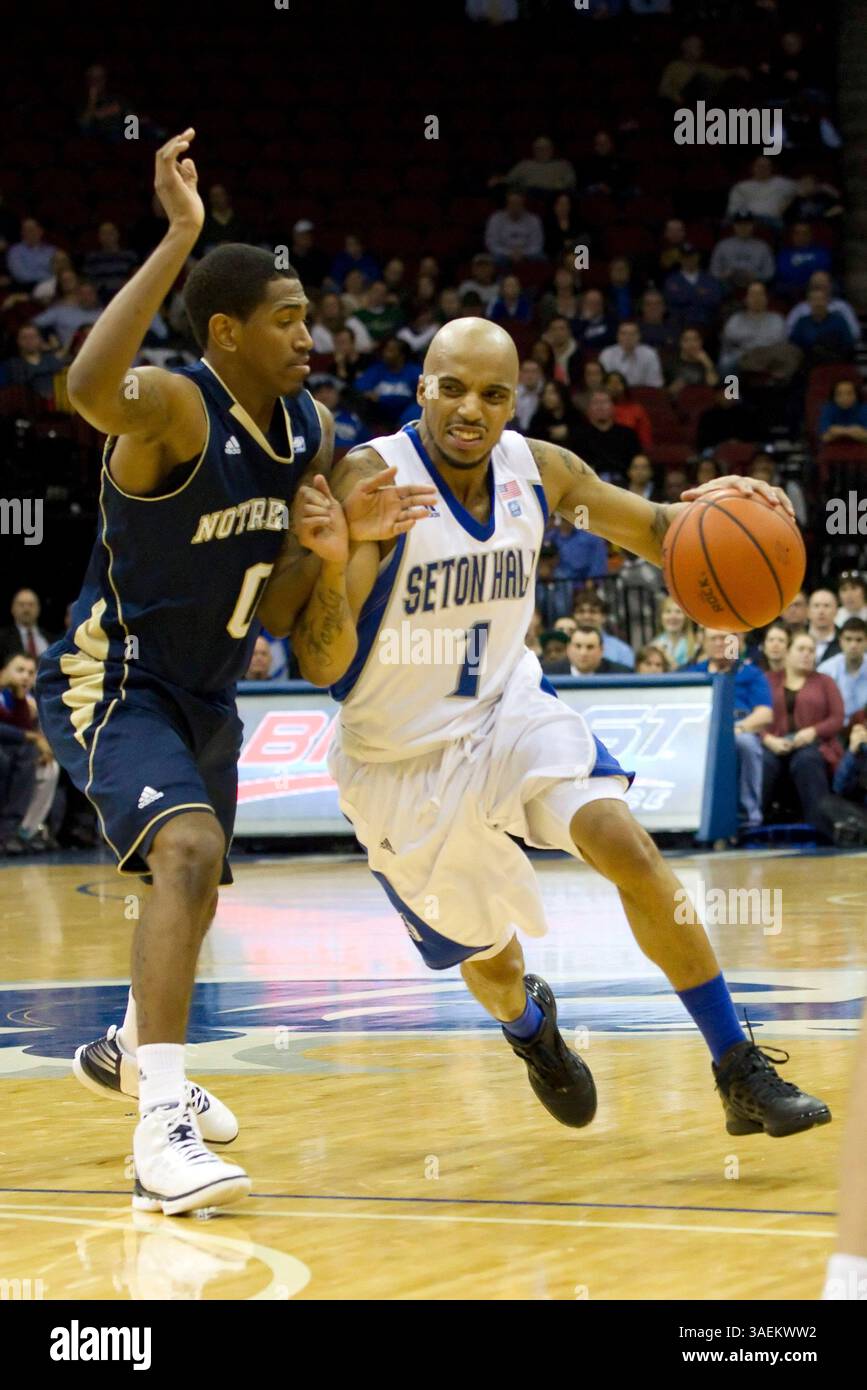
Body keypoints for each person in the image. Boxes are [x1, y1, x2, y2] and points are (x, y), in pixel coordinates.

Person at [35, 130, 434, 1217]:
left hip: (211, 689)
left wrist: (344, 554)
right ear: (228, 330)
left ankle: (130, 1048)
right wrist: (178, 235)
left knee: (199, 884)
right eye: (290, 317)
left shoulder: (309, 431)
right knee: (191, 849)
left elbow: (306, 640)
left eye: (311, 315)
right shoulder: (172, 405)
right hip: (113, 677)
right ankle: (159, 1126)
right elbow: (86, 384)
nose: (314, 332)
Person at [315, 315, 827, 1143]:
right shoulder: (371, 477)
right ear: (421, 389)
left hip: (508, 712)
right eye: (451, 388)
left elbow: (663, 531)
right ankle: (530, 1028)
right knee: (492, 961)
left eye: (492, 393)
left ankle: (737, 1067)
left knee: (626, 845)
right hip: (396, 761)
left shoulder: (537, 468)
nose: (470, 410)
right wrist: (338, 558)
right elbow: (323, 654)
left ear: (517, 398)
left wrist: (738, 503)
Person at [685, 630, 773, 834]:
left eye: (725, 639)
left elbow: (765, 713)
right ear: (703, 643)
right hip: (700, 729)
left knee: (747, 744)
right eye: (713, 639)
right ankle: (689, 813)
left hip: (739, 727)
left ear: (737, 642)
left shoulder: (751, 673)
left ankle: (748, 815)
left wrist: (738, 728)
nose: (719, 643)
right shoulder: (693, 672)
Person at [761, 633, 844, 835]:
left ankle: (821, 827)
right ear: (787, 652)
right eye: (801, 649)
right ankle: (751, 826)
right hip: (773, 744)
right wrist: (768, 739)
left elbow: (837, 718)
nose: (807, 655)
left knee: (806, 760)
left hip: (812, 745)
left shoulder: (825, 682)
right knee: (763, 762)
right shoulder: (767, 680)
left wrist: (813, 731)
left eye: (811, 651)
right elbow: (753, 716)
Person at [663, 245, 724, 331]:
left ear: (697, 257)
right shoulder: (672, 280)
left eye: (692, 256)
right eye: (685, 257)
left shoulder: (710, 279)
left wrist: (685, 293)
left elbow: (715, 300)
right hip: (680, 325)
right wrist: (698, 293)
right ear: (680, 259)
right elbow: (672, 300)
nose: (689, 260)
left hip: (706, 324)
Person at [818, 618, 867, 722]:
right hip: (835, 730)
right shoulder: (826, 670)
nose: (853, 645)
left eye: (859, 640)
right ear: (840, 641)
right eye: (848, 639)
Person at [709, 215, 775, 291]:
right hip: (727, 285)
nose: (743, 228)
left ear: (753, 226)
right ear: (734, 225)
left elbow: (770, 272)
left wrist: (756, 276)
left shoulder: (763, 246)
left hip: (754, 285)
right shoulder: (722, 245)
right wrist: (724, 275)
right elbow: (713, 270)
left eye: (747, 224)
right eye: (739, 224)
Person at [726, 156, 797, 227]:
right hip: (747, 221)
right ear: (753, 167)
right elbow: (733, 210)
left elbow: (802, 187)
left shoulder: (783, 183)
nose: (763, 169)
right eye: (760, 166)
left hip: (772, 220)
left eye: (767, 166)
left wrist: (788, 201)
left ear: (771, 168)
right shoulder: (741, 186)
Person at [484, 190, 545, 266]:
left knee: (541, 258)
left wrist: (522, 253)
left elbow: (537, 244)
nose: (515, 207)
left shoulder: (534, 220)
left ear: (523, 204)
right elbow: (492, 244)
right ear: (507, 204)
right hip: (503, 254)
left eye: (518, 204)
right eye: (512, 204)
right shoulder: (496, 219)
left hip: (528, 253)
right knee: (493, 259)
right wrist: (509, 253)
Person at [598, 322, 664, 389]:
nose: (628, 337)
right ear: (617, 336)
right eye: (623, 334)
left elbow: (655, 384)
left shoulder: (650, 354)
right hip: (614, 393)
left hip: (642, 395)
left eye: (632, 334)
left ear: (639, 336)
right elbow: (604, 382)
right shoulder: (607, 354)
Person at [0, 588, 54, 666]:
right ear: (12, 609)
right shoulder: (2, 638)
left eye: (31, 604)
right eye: (21, 604)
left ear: (39, 609)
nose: (26, 609)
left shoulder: (51, 638)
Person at [605, 371, 652, 451]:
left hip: (631, 451)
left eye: (618, 382)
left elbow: (645, 438)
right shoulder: (598, 408)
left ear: (624, 386)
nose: (614, 386)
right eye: (611, 383)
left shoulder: (636, 409)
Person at [666, 327, 720, 396]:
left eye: (695, 340)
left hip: (702, 401)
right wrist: (670, 390)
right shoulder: (670, 363)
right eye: (686, 340)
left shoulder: (707, 362)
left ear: (701, 342)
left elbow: (713, 385)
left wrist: (707, 364)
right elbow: (661, 391)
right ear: (680, 343)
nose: (691, 344)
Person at [653, 596, 698, 668]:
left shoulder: (697, 646)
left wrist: (667, 657)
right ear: (661, 617)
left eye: (678, 612)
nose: (673, 616)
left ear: (686, 617)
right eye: (668, 611)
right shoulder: (654, 645)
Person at [819, 380, 867, 444]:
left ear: (856, 395)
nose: (845, 398)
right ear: (833, 397)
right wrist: (852, 431)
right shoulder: (828, 409)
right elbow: (824, 438)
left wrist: (838, 431)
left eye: (849, 393)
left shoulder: (864, 409)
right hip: (833, 448)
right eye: (839, 394)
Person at [808, 589, 841, 663]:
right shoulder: (796, 637)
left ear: (836, 611)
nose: (821, 611)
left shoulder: (845, 639)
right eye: (816, 606)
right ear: (808, 611)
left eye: (826, 606)